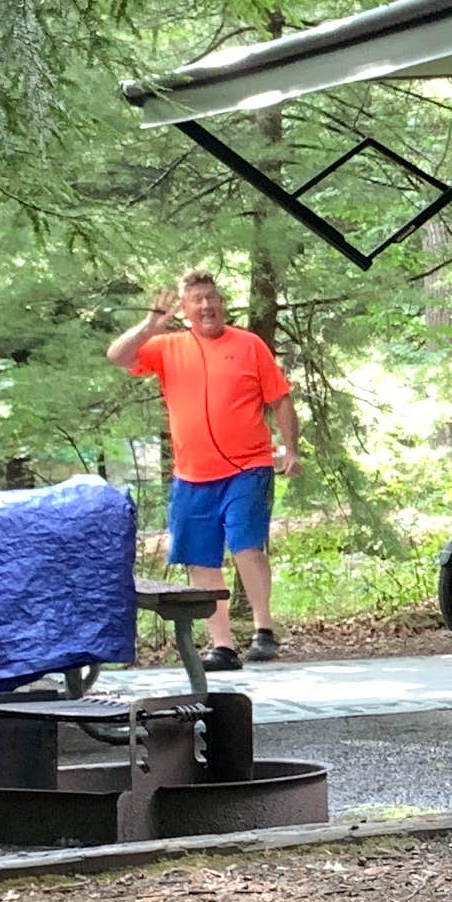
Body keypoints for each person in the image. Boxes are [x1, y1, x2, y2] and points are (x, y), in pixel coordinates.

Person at [108, 270, 295, 664]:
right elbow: (118, 356)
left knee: (246, 545)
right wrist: (149, 326)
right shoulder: (167, 346)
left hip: (248, 465)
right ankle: (222, 645)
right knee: (200, 558)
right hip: (192, 474)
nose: (207, 306)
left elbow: (280, 398)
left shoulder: (249, 345)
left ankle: (264, 631)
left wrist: (290, 448)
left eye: (212, 298)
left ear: (221, 303)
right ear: (186, 308)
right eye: (197, 300)